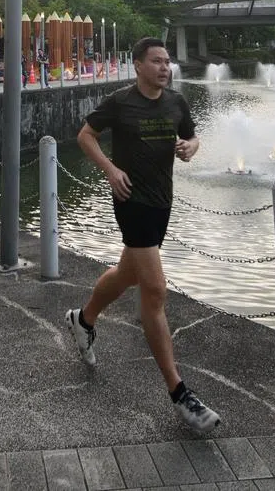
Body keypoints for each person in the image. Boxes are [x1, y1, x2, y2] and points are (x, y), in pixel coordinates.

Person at [64, 36, 220, 434]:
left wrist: (190, 147)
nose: (165, 68)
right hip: (130, 200)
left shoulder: (176, 103)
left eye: (167, 62)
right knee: (155, 292)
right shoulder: (120, 102)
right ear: (137, 65)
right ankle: (180, 394)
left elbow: (193, 137)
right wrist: (111, 171)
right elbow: (85, 136)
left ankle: (83, 320)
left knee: (127, 274)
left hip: (161, 203)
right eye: (156, 61)